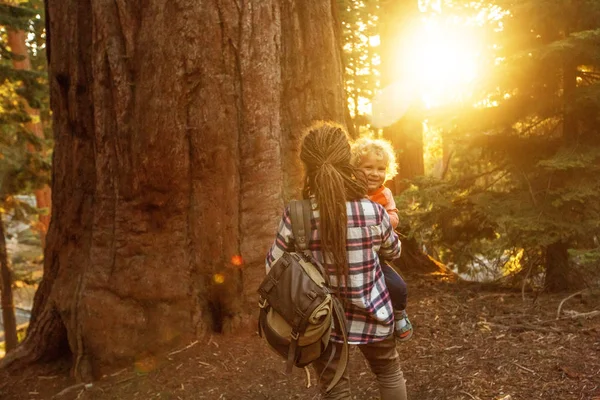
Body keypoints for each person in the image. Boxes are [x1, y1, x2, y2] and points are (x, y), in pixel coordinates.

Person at [265, 122, 408, 400]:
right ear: (348, 162)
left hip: (322, 322)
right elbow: (394, 251)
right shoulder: (373, 211)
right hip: (374, 312)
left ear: (307, 165)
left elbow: (274, 266)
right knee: (389, 372)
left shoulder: (297, 214)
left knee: (335, 387)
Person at [351, 136, 413, 341]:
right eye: (368, 167)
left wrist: (380, 219)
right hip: (353, 251)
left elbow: (394, 216)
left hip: (378, 253)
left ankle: (399, 314)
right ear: (355, 167)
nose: (375, 174)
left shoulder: (384, 194)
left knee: (398, 287)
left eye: (381, 169)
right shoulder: (349, 191)